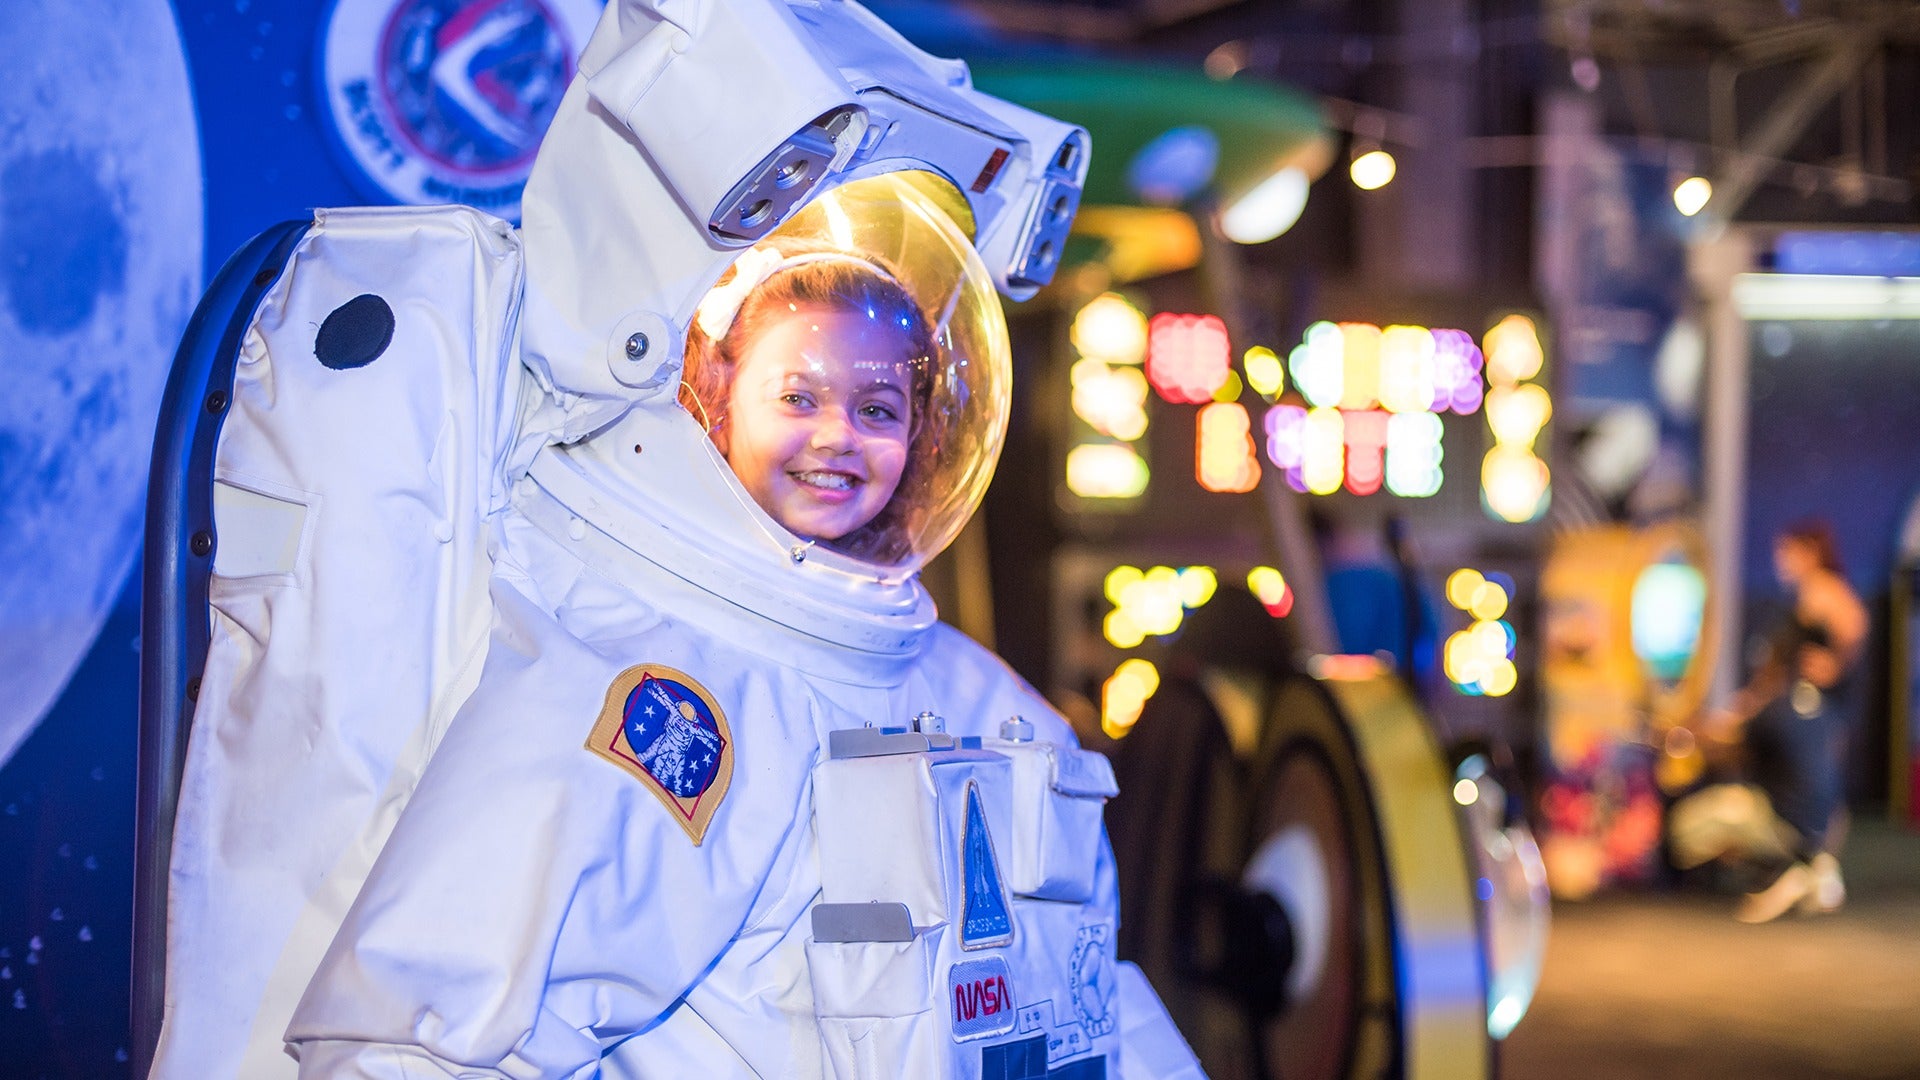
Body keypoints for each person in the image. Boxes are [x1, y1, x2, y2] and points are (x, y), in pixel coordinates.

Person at [1707, 519, 1868, 922]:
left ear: (1809, 552)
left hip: (1814, 712)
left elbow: (1853, 627)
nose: (1781, 560)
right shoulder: (1807, 595)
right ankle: (1811, 873)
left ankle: (1809, 869)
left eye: (1788, 551)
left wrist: (1837, 665)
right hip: (1800, 712)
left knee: (1812, 790)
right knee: (1807, 787)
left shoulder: (1823, 590)